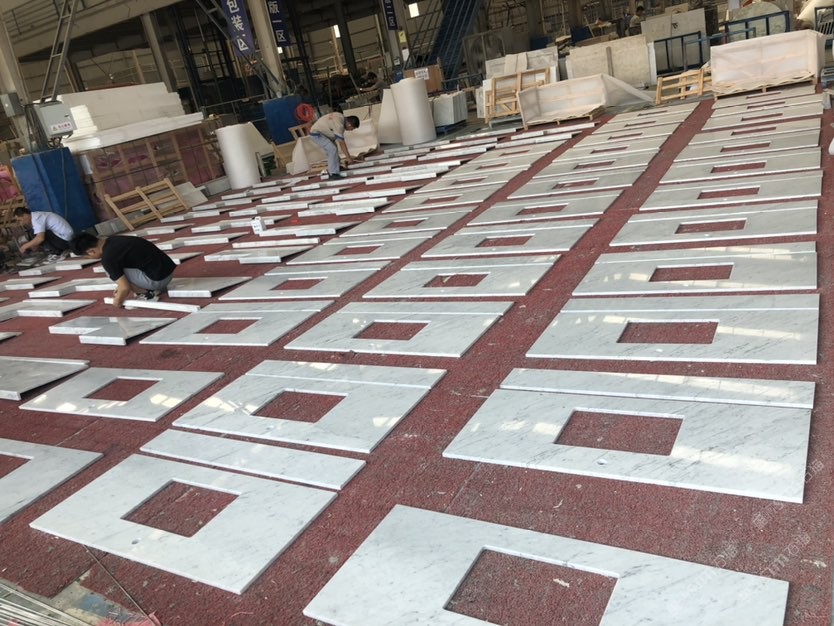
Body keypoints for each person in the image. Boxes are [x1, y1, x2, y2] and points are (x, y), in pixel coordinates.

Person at [71, 232, 176, 307]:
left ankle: (148, 293)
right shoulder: (114, 240)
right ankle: (148, 287)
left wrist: (117, 301)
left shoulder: (108, 258)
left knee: (110, 271)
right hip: (168, 273)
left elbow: (125, 288)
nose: (89, 258)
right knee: (117, 271)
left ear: (91, 251)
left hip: (158, 281)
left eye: (87, 256)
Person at [309, 112, 360, 179]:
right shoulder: (339, 125)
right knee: (332, 149)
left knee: (333, 148)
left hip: (323, 133)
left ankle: (337, 167)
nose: (351, 130)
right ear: (349, 125)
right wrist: (349, 158)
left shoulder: (340, 116)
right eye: (352, 128)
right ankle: (333, 173)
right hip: (316, 134)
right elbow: (342, 144)